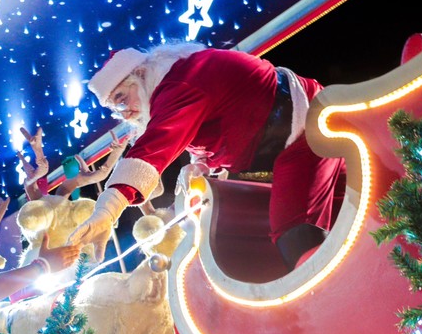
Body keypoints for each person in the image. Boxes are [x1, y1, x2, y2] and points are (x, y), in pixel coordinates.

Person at [67, 42, 347, 270]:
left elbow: (153, 147)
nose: (123, 113)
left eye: (121, 99)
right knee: (357, 210)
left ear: (139, 75)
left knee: (295, 234)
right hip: (304, 132)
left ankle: (336, 313)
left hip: (306, 131)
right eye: (116, 109)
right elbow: (224, 126)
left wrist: (107, 210)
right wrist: (202, 164)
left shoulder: (181, 83)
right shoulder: (179, 82)